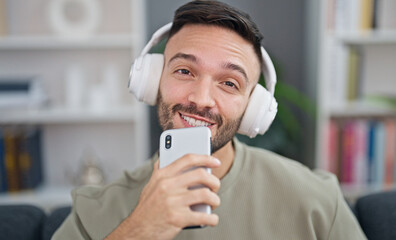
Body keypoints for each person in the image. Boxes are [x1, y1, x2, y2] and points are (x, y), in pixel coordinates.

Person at [53, 1, 366, 239]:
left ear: (253, 108)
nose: (201, 99)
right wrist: (139, 229)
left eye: (229, 83)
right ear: (152, 80)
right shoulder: (91, 211)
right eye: (185, 71)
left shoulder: (318, 201)